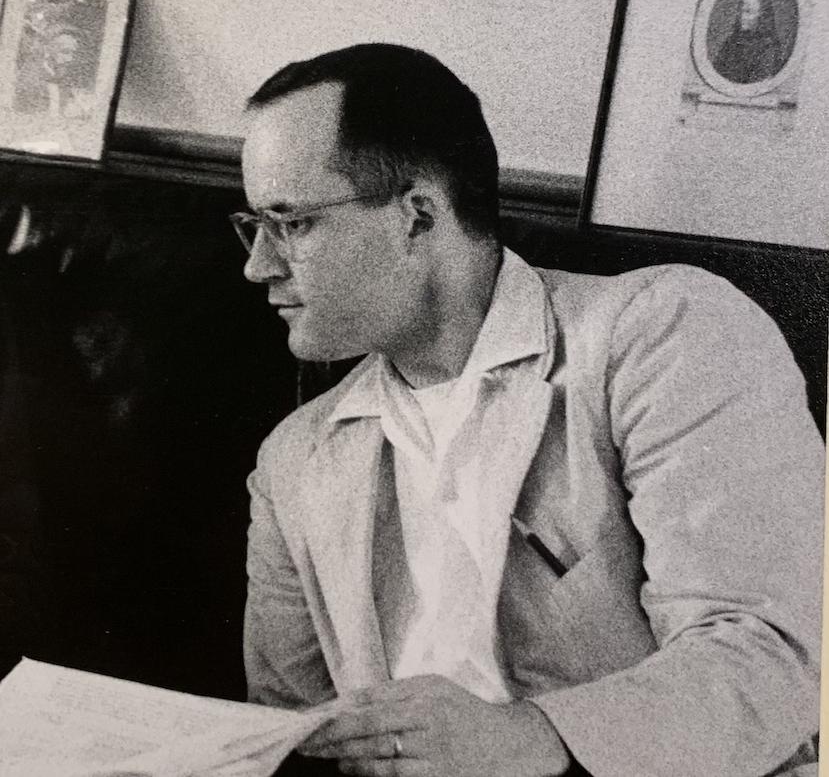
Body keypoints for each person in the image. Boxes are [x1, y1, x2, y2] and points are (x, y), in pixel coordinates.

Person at [237, 43, 823, 776]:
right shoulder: (295, 461)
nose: (258, 263)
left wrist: (526, 737)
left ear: (417, 216)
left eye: (289, 222)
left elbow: (772, 652)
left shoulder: (661, 334)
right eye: (253, 225)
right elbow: (286, 737)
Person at [13, 23, 95, 119]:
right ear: (47, 49)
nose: (70, 59)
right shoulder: (29, 78)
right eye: (65, 52)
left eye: (73, 53)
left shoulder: (62, 78)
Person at [713, 0, 785, 84]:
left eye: (748, 11)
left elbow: (758, 84)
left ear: (762, 15)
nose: (741, 16)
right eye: (740, 10)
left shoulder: (769, 46)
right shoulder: (732, 41)